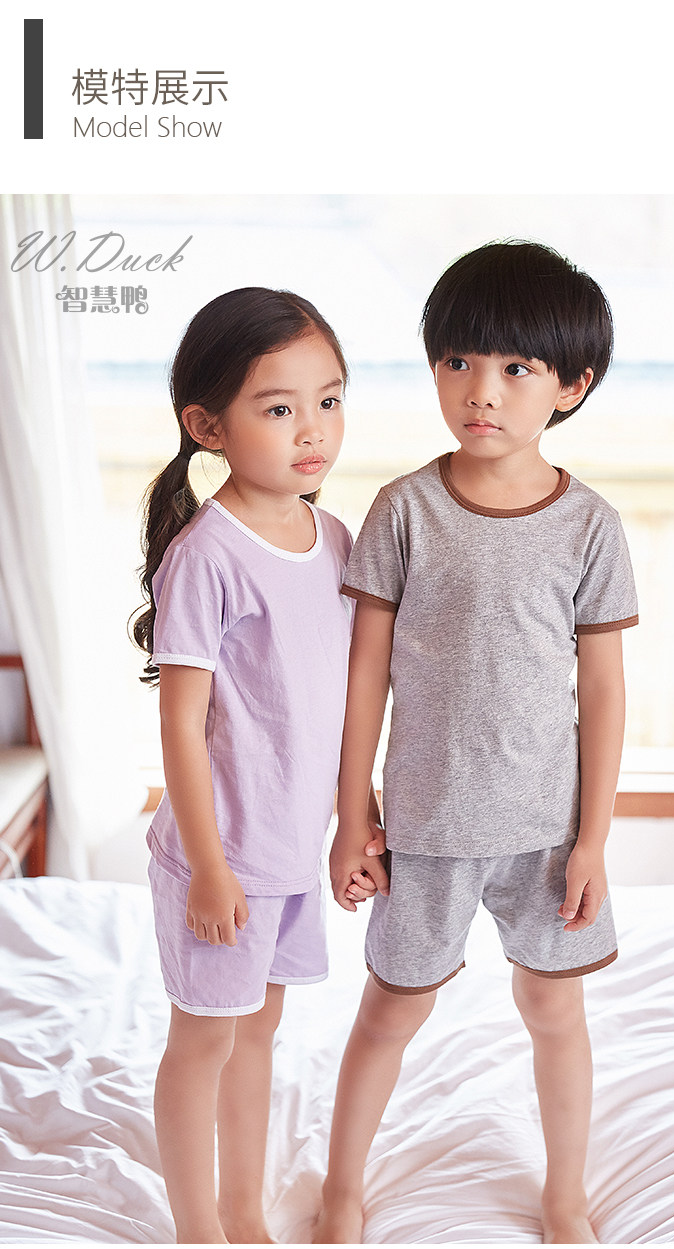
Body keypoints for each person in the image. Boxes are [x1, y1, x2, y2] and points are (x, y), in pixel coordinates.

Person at [315, 241, 639, 1246]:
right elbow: (365, 673)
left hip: (545, 832)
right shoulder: (403, 509)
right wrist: (352, 813)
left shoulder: (589, 526)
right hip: (425, 826)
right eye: (457, 361)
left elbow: (603, 689)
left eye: (514, 367)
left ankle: (564, 1194)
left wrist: (592, 840)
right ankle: (340, 1190)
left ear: (571, 385)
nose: (480, 391)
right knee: (389, 1011)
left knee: (555, 1012)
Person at [132, 287, 387, 1245]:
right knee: (204, 1036)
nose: (312, 429)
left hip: (287, 854)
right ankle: (197, 1225)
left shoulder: (336, 541)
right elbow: (180, 724)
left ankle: (244, 1208)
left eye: (329, 400)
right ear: (209, 426)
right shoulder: (207, 556)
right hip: (224, 856)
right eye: (279, 408)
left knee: (258, 1031)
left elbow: (340, 704)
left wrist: (356, 820)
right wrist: (208, 866)